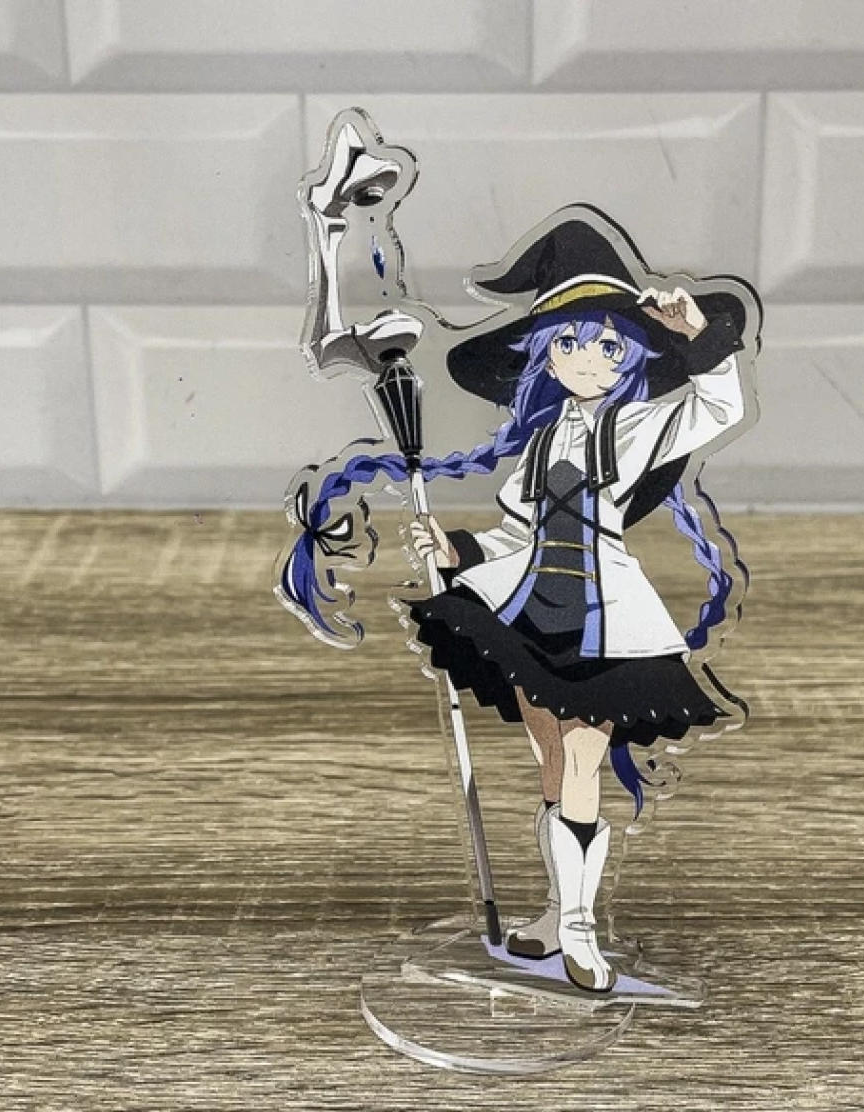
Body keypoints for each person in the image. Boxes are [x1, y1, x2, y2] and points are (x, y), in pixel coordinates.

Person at [281, 209, 759, 993]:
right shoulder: (540, 443)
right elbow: (516, 535)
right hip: (534, 612)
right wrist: (456, 552)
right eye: (567, 342)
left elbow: (720, 409)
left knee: (582, 763)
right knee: (553, 763)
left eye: (607, 344)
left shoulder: (638, 426)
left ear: (635, 352)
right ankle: (554, 914)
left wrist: (700, 334)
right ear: (543, 352)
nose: (586, 358)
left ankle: (580, 931)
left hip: (605, 623)